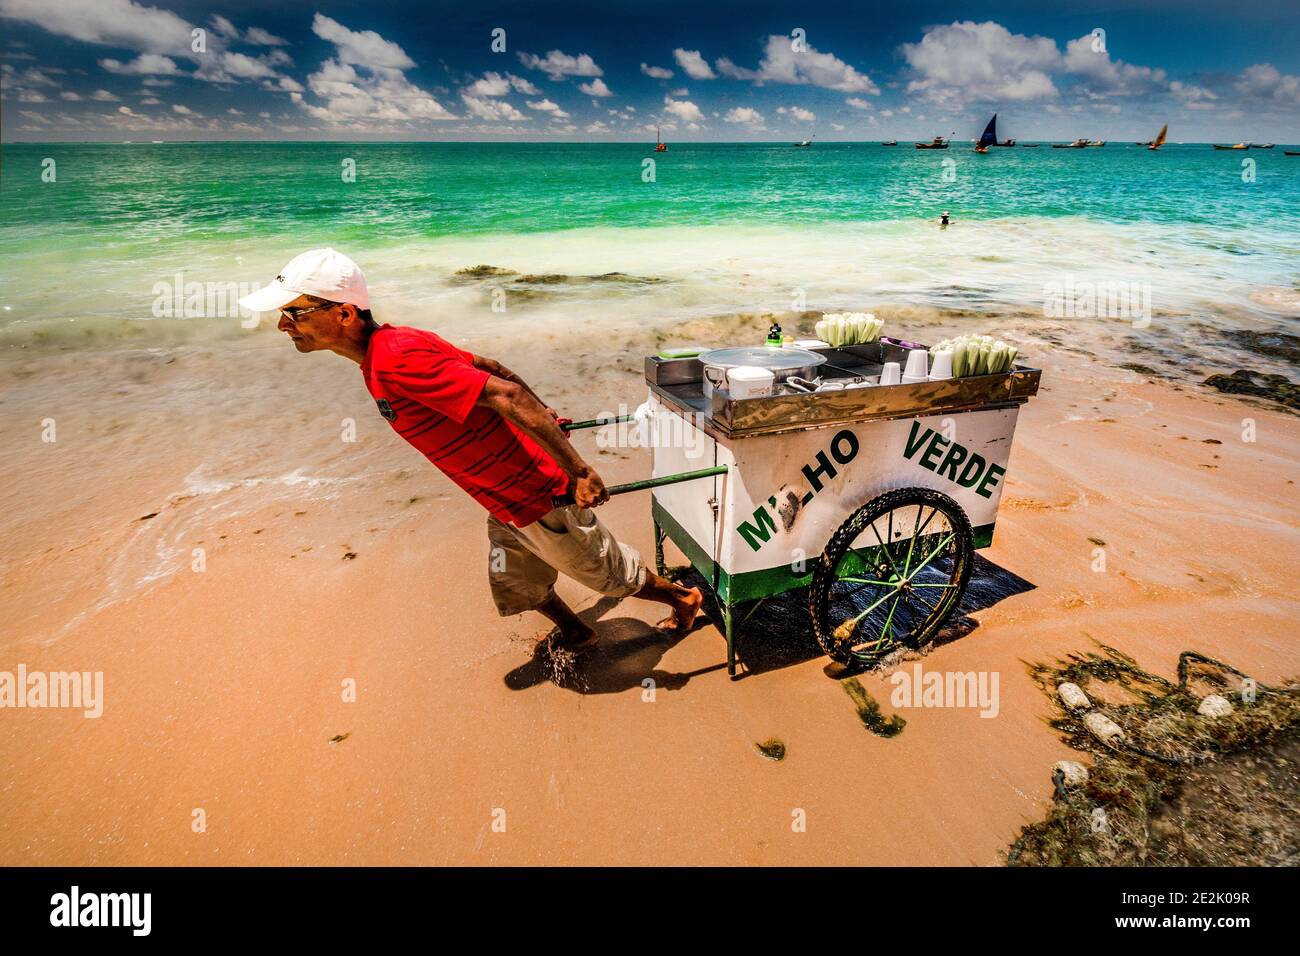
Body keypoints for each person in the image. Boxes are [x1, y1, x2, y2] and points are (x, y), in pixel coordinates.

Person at [239, 248, 703, 651]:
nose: (283, 325)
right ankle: (578, 633)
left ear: (343, 314)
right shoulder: (394, 345)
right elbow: (492, 368)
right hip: (501, 499)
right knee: (516, 581)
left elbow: (507, 395)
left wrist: (578, 470)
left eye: (294, 313)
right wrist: (549, 416)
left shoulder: (397, 359)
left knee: (608, 575)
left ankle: (684, 599)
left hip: (536, 492)